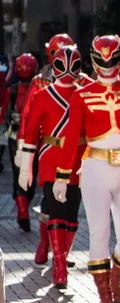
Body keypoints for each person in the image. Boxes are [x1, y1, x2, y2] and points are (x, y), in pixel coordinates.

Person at [52, 35, 120, 303]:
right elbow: (71, 137)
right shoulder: (81, 94)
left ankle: (116, 278)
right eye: (101, 59)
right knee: (99, 232)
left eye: (113, 59)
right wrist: (62, 174)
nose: (107, 65)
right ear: (93, 58)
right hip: (94, 168)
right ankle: (104, 294)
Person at [15, 33, 93, 266]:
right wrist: (24, 151)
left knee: (70, 204)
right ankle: (45, 244)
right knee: (49, 201)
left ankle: (60, 251)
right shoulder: (40, 81)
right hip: (48, 147)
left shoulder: (84, 82)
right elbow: (29, 115)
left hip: (77, 152)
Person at [2, 54, 38, 233]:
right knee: (30, 175)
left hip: (17, 138)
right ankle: (23, 211)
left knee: (20, 175)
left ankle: (23, 211)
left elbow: (4, 116)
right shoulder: (39, 89)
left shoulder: (13, 90)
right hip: (32, 138)